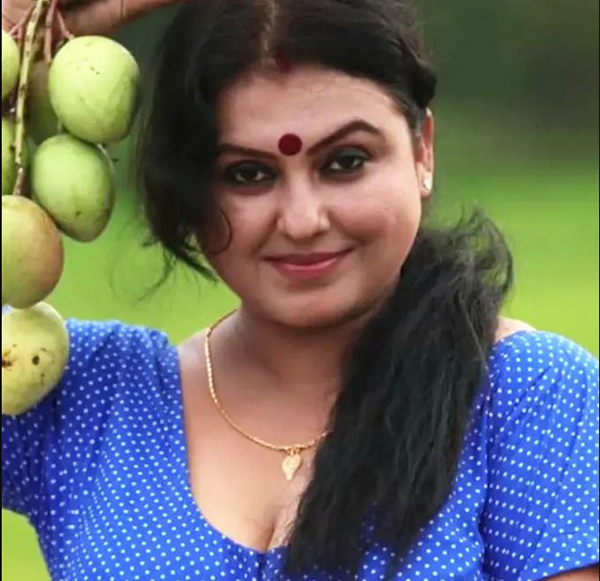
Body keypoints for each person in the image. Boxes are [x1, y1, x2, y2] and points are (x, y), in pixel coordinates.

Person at [2, 1, 598, 579]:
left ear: (423, 150)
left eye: (345, 162)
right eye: (248, 174)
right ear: (191, 192)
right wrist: (12, 33)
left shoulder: (525, 398)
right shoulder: (80, 396)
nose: (303, 220)